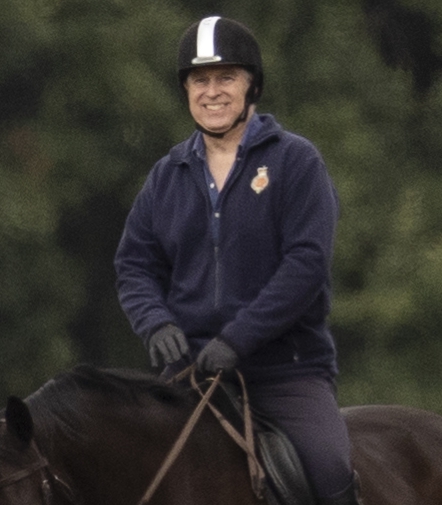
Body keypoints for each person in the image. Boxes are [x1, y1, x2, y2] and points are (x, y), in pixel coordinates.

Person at [114, 15, 362, 505]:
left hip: (286, 373)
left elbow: (306, 266)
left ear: (252, 86)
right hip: (189, 375)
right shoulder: (166, 177)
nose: (212, 92)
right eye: (199, 80)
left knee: (330, 470)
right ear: (185, 90)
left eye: (226, 77)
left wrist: (238, 338)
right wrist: (156, 322)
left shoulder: (297, 162)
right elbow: (135, 265)